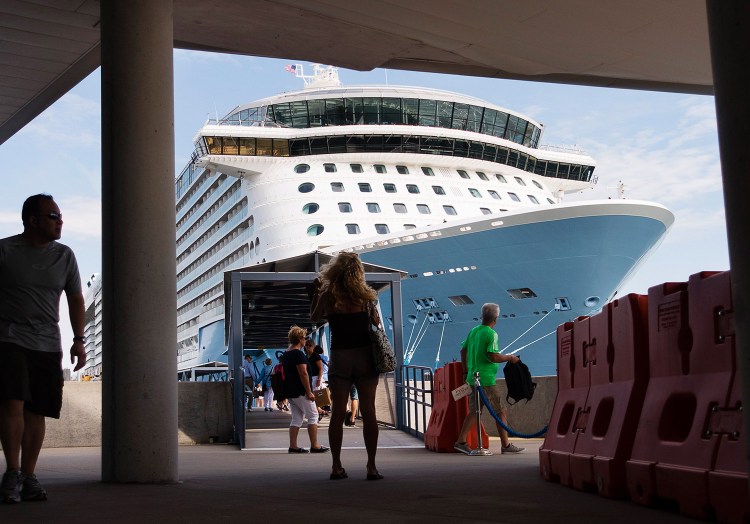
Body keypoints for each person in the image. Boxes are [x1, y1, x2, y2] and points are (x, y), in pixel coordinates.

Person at [0, 194, 86, 504]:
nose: (60, 220)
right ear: (32, 220)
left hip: (48, 343)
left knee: (38, 411)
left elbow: (76, 299)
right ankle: (11, 472)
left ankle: (28, 475)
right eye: (53, 216)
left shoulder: (65, 255)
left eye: (60, 215)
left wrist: (79, 340)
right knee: (12, 403)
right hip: (8, 339)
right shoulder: (5, 250)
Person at [310, 252, 383, 480]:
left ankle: (336, 466)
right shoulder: (367, 295)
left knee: (337, 414)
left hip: (340, 358)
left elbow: (314, 317)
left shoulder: (329, 296)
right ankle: (371, 467)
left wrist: (316, 292)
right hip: (364, 358)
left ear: (335, 270)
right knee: (369, 412)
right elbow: (376, 322)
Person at [453, 303, 525, 455]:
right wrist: (510, 358)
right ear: (496, 319)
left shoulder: (474, 331)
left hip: (472, 377)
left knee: (474, 411)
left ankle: (461, 441)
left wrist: (465, 371)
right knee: (500, 411)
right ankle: (505, 445)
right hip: (485, 380)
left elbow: (463, 350)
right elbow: (493, 356)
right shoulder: (491, 334)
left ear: (482, 317)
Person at [284, 326, 329, 455]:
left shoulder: (287, 353)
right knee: (313, 416)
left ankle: (293, 446)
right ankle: (314, 445)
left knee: (297, 418)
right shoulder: (298, 354)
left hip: (291, 391)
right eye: (304, 337)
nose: (305, 340)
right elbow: (303, 373)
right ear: (299, 339)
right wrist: (309, 392)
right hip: (301, 391)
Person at [304, 340, 327, 417]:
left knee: (315, 395)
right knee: (311, 395)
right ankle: (319, 410)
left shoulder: (316, 356)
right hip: (309, 378)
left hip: (316, 377)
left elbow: (321, 368)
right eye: (306, 345)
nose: (307, 347)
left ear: (313, 347)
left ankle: (318, 411)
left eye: (309, 346)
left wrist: (319, 379)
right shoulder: (305, 356)